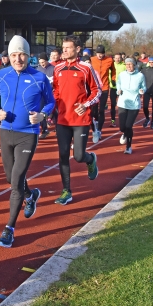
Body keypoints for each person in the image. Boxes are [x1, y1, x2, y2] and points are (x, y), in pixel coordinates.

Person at [0, 37, 55, 247]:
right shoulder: (2, 74)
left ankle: (9, 229)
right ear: (9, 56)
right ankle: (31, 194)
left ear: (28, 56)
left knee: (16, 180)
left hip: (28, 134)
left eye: (22, 54)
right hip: (6, 132)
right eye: (14, 55)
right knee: (10, 178)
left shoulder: (39, 77)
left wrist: (43, 116)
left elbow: (51, 101)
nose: (18, 58)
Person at [51, 36, 101, 206]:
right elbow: (56, 91)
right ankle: (66, 191)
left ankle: (90, 159)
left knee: (78, 156)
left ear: (77, 49)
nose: (64, 50)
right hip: (62, 119)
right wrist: (53, 107)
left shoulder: (86, 68)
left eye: (68, 48)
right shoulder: (57, 68)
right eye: (63, 47)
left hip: (80, 119)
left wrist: (86, 104)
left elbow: (97, 91)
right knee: (63, 155)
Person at [116, 57, 146, 154]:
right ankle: (124, 133)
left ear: (134, 65)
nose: (128, 66)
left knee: (129, 126)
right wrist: (118, 90)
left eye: (130, 64)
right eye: (126, 64)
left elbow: (144, 87)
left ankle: (128, 146)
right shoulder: (122, 74)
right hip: (123, 103)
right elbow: (118, 83)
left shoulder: (140, 76)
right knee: (122, 127)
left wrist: (142, 91)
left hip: (134, 104)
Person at [89, 45, 116, 143]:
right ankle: (95, 126)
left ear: (104, 53)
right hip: (94, 88)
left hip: (104, 87)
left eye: (101, 53)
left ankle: (99, 130)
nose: (100, 55)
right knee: (94, 111)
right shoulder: (91, 60)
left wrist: (113, 79)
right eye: (98, 53)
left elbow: (113, 70)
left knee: (101, 110)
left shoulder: (109, 60)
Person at [36, 52, 55, 139]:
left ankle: (60, 129)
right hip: (42, 94)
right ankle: (45, 129)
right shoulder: (38, 69)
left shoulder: (53, 69)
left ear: (47, 60)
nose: (42, 64)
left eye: (43, 62)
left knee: (56, 112)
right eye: (40, 63)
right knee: (41, 111)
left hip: (52, 93)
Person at [109, 53, 126, 127]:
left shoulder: (124, 66)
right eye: (116, 58)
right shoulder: (111, 65)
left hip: (122, 89)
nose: (117, 59)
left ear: (121, 58)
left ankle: (124, 120)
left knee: (123, 105)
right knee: (113, 105)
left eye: (119, 58)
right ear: (113, 58)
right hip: (113, 88)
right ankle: (113, 120)